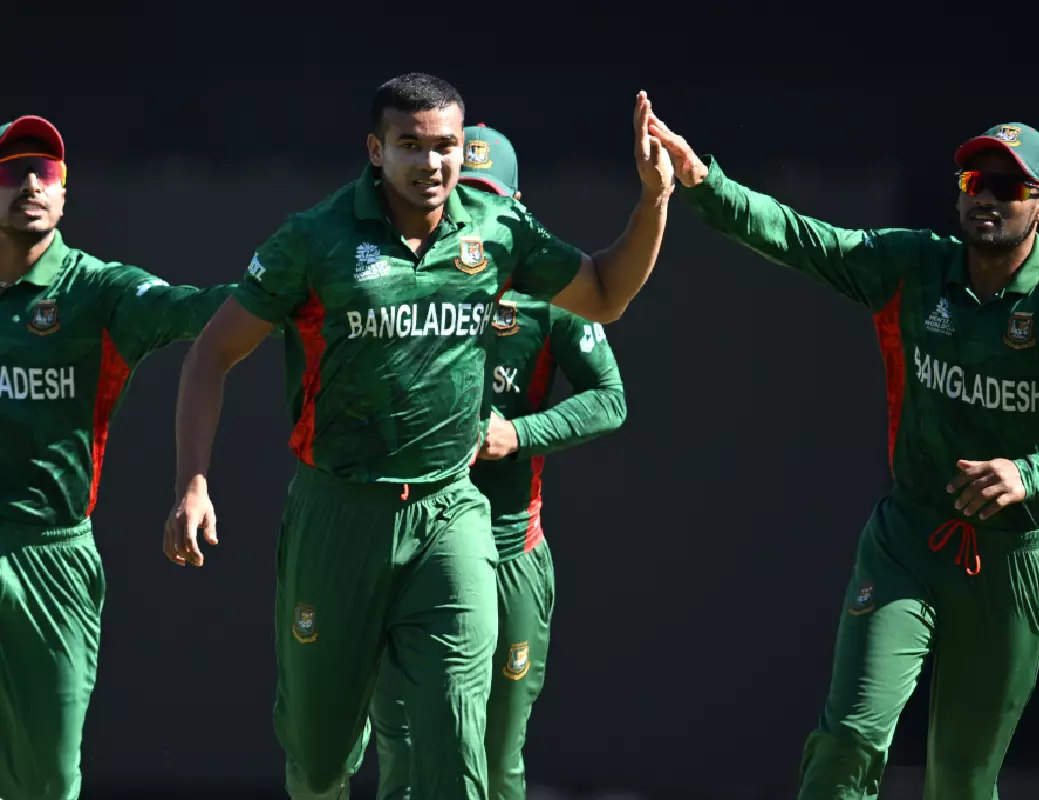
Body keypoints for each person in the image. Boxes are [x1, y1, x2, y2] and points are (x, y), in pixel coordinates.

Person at [163, 74, 671, 800]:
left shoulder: (497, 229)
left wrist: (653, 200)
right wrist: (192, 482)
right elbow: (211, 354)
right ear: (376, 150)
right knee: (319, 763)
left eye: (445, 147)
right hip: (340, 513)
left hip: (449, 513)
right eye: (410, 146)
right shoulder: (316, 238)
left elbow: (605, 294)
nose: (431, 164)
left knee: (457, 739)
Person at [646, 110, 1039, 799]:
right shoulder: (916, 266)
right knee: (848, 741)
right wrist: (704, 183)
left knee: (961, 781)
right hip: (909, 540)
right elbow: (805, 239)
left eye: (1008, 187)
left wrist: (1029, 472)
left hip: (1009, 563)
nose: (986, 197)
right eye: (974, 181)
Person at [367, 124, 629, 800]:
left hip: (511, 546)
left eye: (491, 197)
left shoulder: (548, 293)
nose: (477, 212)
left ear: (515, 206)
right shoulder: (402, 277)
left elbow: (611, 399)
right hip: (410, 545)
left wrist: (517, 433)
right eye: (467, 194)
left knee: (496, 758)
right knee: (405, 756)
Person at [0, 115, 235, 800]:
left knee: (49, 780)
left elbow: (194, 310)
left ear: (64, 191)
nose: (30, 184)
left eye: (45, 172)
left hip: (52, 555)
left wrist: (290, 292)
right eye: (13, 171)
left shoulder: (95, 291)